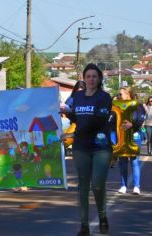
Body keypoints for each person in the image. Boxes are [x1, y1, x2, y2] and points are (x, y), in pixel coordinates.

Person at [63, 63, 112, 236]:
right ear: (83, 78)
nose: (91, 79)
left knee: (97, 184)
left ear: (99, 79)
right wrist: (62, 111)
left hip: (100, 148)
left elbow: (98, 121)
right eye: (88, 76)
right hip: (81, 148)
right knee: (83, 186)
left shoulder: (104, 97)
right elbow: (71, 113)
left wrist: (74, 134)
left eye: (94, 76)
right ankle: (84, 225)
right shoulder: (76, 96)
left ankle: (102, 216)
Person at [112, 87, 145, 195]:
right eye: (118, 94)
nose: (119, 96)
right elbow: (112, 120)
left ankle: (136, 186)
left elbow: (140, 119)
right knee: (122, 163)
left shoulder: (137, 106)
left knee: (134, 162)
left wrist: (132, 125)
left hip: (134, 137)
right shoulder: (117, 106)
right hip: (121, 138)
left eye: (120, 94)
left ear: (128, 94)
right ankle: (123, 185)